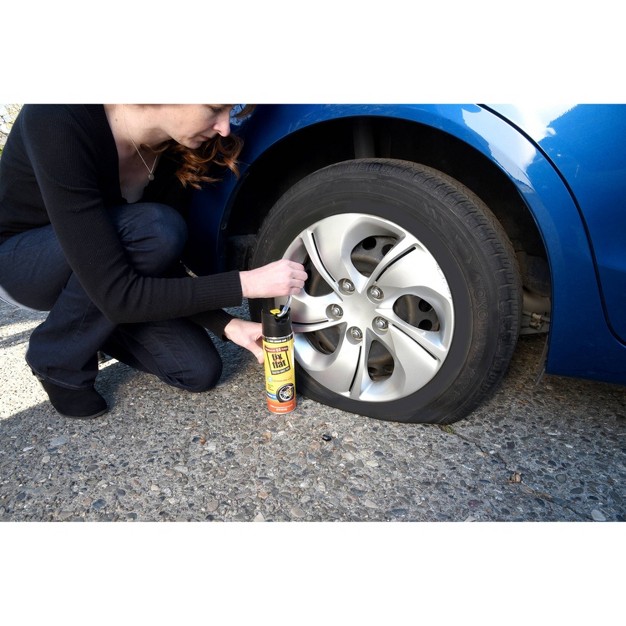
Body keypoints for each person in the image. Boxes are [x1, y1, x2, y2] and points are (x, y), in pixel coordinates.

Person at [0, 104, 307, 419]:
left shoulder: (175, 152)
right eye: (215, 109)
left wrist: (226, 324)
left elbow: (157, 265)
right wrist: (248, 283)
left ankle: (96, 327)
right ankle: (54, 357)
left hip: (108, 279)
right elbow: (123, 287)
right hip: (22, 263)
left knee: (197, 369)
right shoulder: (58, 116)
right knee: (156, 228)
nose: (225, 127)